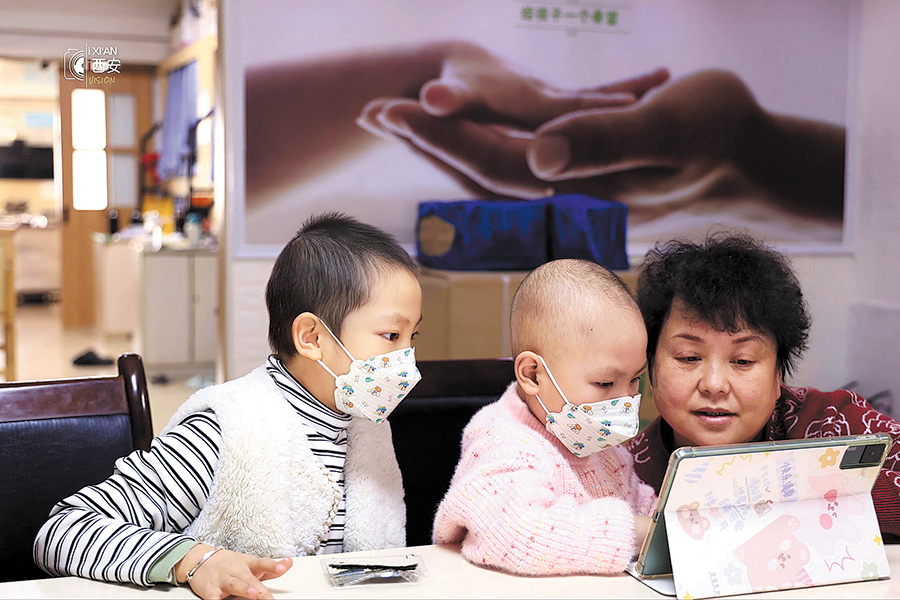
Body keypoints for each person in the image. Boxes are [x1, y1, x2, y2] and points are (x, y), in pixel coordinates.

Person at [33, 213, 423, 599]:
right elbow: (63, 531)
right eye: (392, 335)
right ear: (311, 337)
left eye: (412, 337)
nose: (407, 359)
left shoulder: (366, 430)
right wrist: (194, 561)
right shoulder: (228, 430)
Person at [626, 234, 900, 536]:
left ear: (778, 374)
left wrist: (802, 487)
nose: (714, 384)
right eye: (689, 357)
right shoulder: (621, 470)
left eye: (742, 360)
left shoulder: (832, 424)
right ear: (651, 365)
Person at [433, 259, 656, 575]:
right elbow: (516, 534)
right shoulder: (503, 442)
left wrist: (672, 516)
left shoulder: (602, 446)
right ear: (532, 375)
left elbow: (642, 506)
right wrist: (634, 532)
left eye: (635, 380)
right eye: (605, 383)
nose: (626, 400)